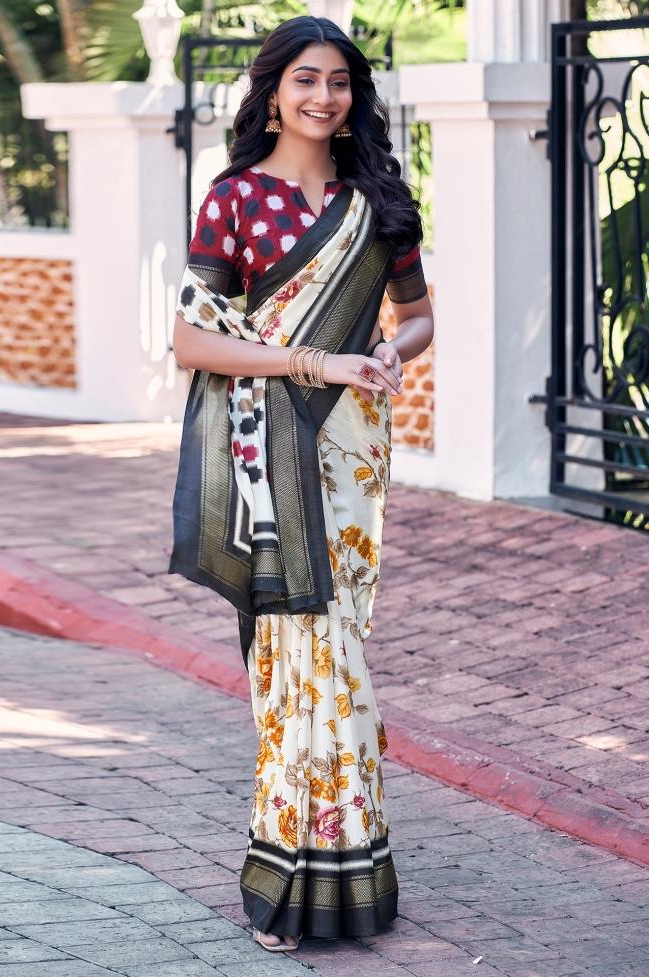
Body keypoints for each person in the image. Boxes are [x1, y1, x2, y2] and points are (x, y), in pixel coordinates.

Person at [169, 14, 434, 953]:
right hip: (272, 445)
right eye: (307, 80)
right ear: (273, 88)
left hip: (356, 445)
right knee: (296, 660)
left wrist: (384, 351)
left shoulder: (377, 199)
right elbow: (195, 341)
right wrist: (316, 362)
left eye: (340, 83)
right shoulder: (236, 196)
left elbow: (417, 317)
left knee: (342, 649)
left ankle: (349, 870)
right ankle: (289, 877)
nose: (325, 98)